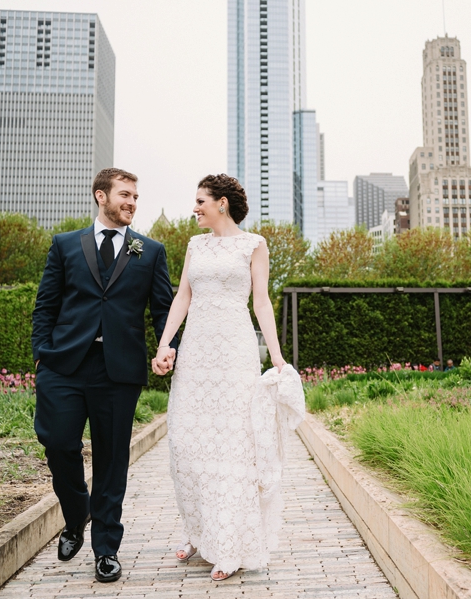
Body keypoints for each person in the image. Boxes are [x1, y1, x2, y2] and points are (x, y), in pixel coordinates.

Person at [31, 168, 177, 583]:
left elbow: (163, 310)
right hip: (63, 366)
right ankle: (77, 515)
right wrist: (41, 356)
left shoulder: (149, 251)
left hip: (119, 371)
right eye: (125, 195)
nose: (132, 202)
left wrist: (169, 347)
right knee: (58, 443)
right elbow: (45, 306)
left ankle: (106, 548)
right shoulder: (65, 246)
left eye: (135, 197)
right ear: (101, 196)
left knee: (113, 460)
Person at [152, 173, 289, 582]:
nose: (194, 208)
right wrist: (164, 344)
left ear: (222, 203)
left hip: (233, 353)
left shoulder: (255, 245)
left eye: (200, 201)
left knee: (231, 446)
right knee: (187, 442)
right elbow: (183, 297)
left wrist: (278, 358)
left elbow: (261, 302)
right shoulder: (195, 244)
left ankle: (228, 545)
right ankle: (198, 533)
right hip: (196, 353)